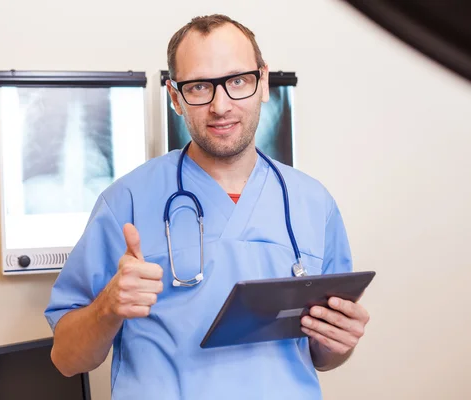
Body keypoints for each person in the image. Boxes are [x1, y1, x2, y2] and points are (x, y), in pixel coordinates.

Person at [44, 14, 371, 400]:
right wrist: (109, 307)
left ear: (263, 82)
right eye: (199, 86)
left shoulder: (315, 204)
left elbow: (323, 357)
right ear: (175, 97)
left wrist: (338, 342)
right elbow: (67, 359)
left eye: (237, 81)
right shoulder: (126, 202)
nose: (220, 105)